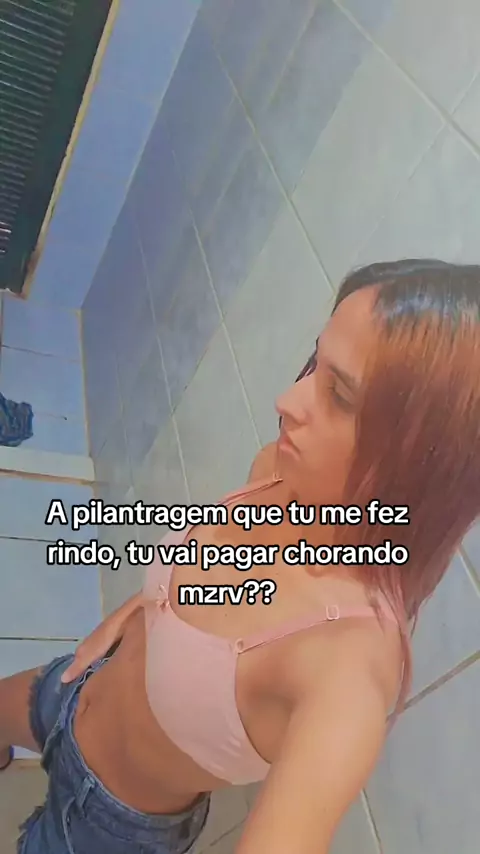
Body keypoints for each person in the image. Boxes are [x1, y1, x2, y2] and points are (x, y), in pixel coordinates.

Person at [2, 259, 480, 854]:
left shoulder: (346, 670)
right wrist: (130, 614)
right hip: (73, 689)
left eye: (339, 395)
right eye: (315, 365)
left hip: (105, 828)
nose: (288, 400)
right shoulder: (277, 472)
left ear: (422, 462)